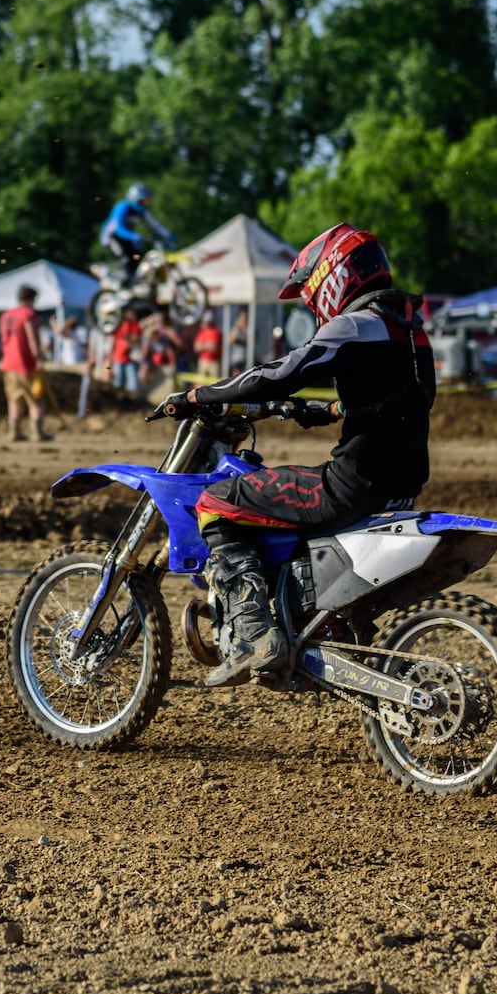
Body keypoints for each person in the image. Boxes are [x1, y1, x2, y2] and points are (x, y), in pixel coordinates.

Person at [181, 223, 435, 687]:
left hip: (351, 487)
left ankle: (254, 636)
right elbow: (406, 398)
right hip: (402, 487)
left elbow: (278, 374)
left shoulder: (355, 324)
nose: (310, 302)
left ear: (334, 274)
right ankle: (315, 616)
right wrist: (334, 409)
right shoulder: (410, 330)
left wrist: (204, 394)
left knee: (217, 500)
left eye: (309, 290)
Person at [0, 284, 52, 442]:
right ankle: (37, 433)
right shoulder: (29, 315)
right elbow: (32, 340)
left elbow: (4, 340)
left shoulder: (6, 315)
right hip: (26, 365)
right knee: (36, 400)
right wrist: (39, 358)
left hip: (8, 364)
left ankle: (14, 432)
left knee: (15, 399)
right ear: (32, 298)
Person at [99, 183, 175, 288]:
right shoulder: (122, 207)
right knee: (128, 257)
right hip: (111, 237)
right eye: (143, 201)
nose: (145, 204)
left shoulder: (142, 212)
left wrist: (168, 235)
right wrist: (135, 236)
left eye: (147, 201)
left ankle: (134, 284)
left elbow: (155, 225)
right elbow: (119, 229)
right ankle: (124, 284)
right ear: (134, 198)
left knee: (141, 257)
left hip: (128, 237)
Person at [109, 307, 144, 395]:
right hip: (118, 358)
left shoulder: (135, 325)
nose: (132, 314)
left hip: (130, 359)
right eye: (129, 312)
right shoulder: (118, 325)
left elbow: (138, 339)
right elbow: (113, 343)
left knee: (134, 386)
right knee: (118, 384)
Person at [192, 314, 223, 379]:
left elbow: (214, 348)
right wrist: (208, 345)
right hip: (203, 361)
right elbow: (196, 348)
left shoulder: (216, 331)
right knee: (200, 384)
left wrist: (202, 345)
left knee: (215, 384)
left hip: (214, 362)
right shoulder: (201, 332)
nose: (202, 324)